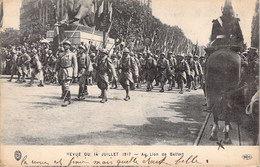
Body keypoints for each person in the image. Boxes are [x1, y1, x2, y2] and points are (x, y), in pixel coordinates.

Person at [56, 40, 78, 106]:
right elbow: (58, 64)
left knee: (66, 86)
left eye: (67, 45)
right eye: (64, 45)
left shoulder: (72, 55)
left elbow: (75, 65)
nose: (65, 46)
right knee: (63, 85)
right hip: (62, 71)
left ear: (69, 46)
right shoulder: (61, 54)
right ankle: (68, 98)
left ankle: (67, 100)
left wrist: (75, 74)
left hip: (69, 71)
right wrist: (55, 71)